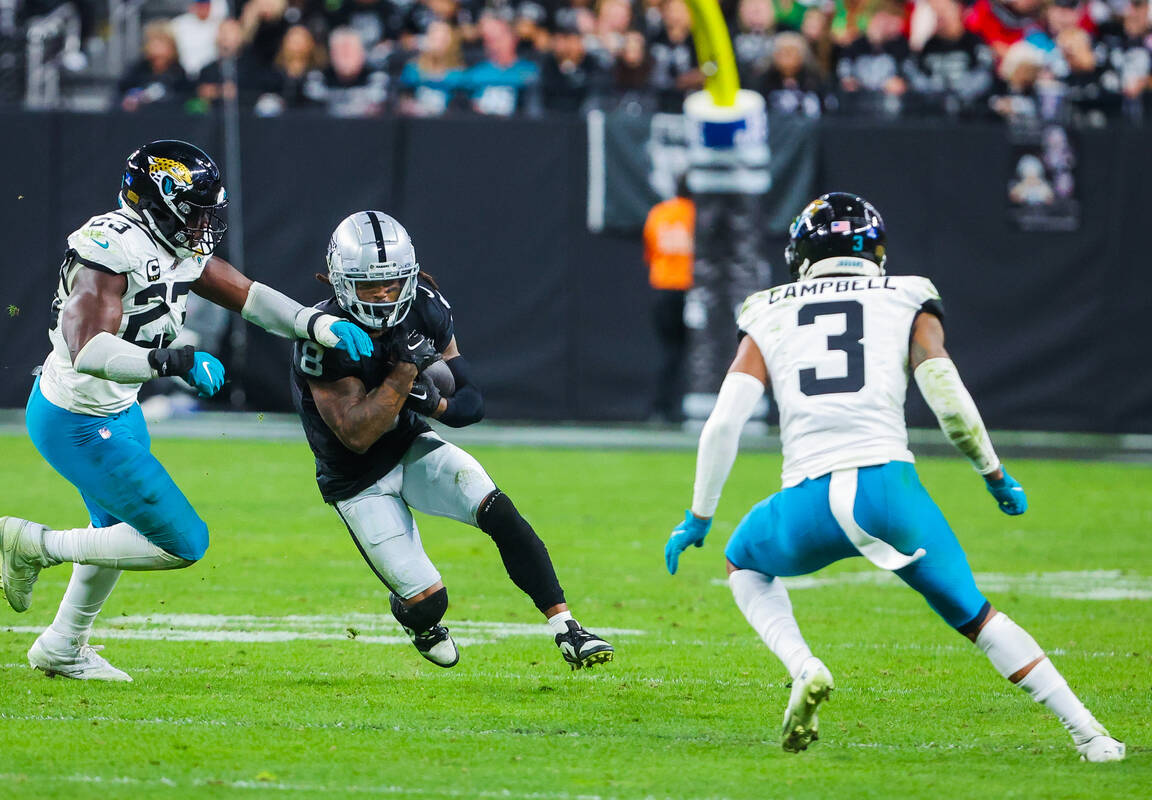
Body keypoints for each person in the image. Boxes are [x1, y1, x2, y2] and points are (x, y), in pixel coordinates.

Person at [662, 192, 1126, 762]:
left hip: (804, 500)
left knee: (742, 560)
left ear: (802, 252)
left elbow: (723, 423)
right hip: (888, 492)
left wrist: (699, 515)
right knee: (978, 617)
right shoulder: (907, 294)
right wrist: (994, 474)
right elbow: (948, 401)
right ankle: (1091, 735)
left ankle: (803, 665)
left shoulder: (767, 308)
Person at [0, 140, 376, 681]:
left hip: (116, 412)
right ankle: (34, 545)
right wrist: (167, 359)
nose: (204, 226)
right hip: (76, 419)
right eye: (195, 212)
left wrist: (315, 323)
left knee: (114, 533)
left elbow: (247, 295)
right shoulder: (110, 247)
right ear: (158, 200)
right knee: (181, 541)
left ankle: (62, 645)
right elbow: (88, 350)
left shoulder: (169, 243)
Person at [289, 210, 615, 671]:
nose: (383, 295)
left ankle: (567, 629)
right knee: (428, 601)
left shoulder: (424, 305)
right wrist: (404, 375)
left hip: (409, 443)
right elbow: (357, 434)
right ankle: (417, 620)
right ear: (342, 283)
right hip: (356, 477)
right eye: (368, 285)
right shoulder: (322, 334)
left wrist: (432, 404)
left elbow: (470, 403)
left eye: (391, 283)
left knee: (498, 510)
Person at [642, 176, 695, 422]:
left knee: (669, 351)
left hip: (662, 288)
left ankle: (661, 408)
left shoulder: (659, 213)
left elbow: (651, 252)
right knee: (695, 352)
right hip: (689, 290)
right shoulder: (697, 214)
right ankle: (683, 406)